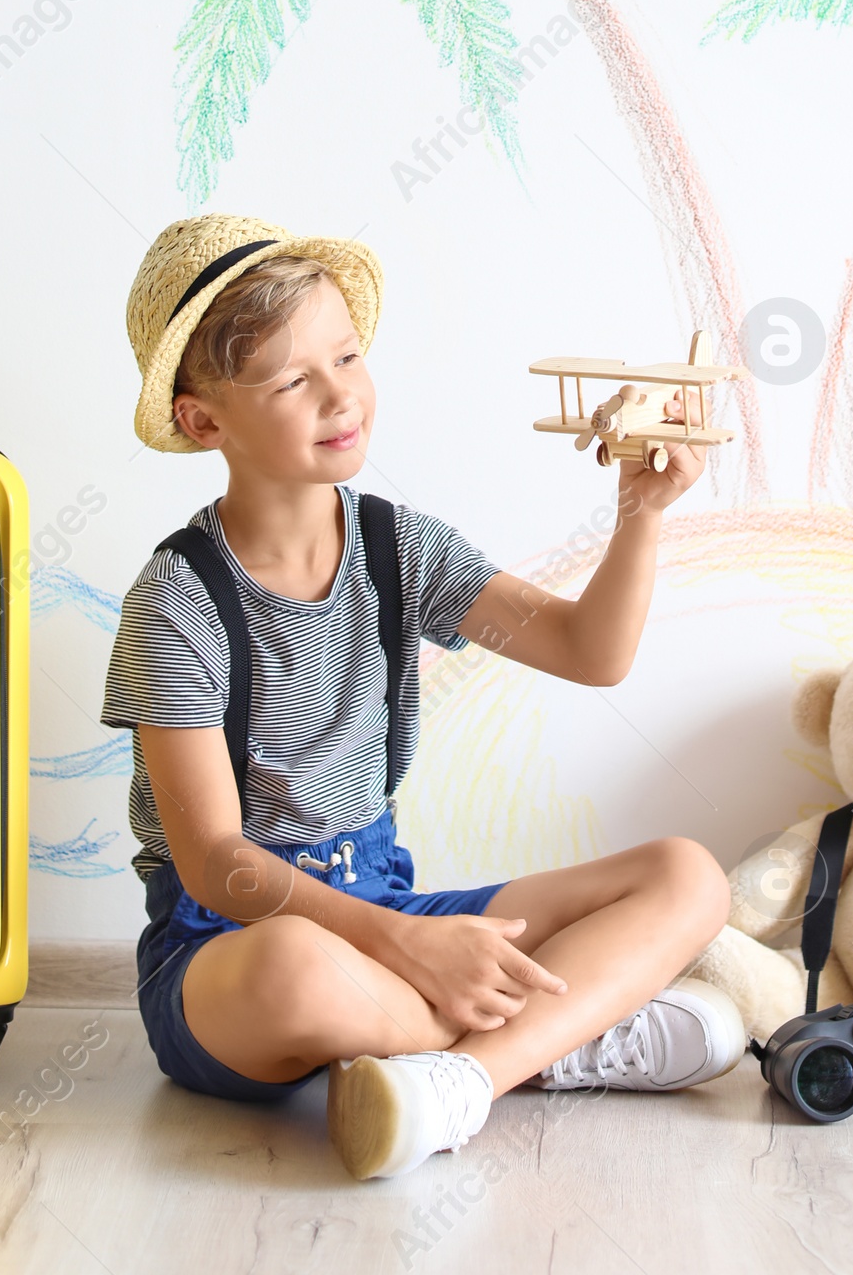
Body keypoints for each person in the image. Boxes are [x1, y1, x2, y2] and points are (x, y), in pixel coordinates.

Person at [102, 214, 741, 1180]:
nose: (340, 394)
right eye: (291, 380)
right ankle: (551, 1043)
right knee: (293, 964)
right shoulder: (177, 601)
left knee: (687, 875)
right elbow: (214, 866)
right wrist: (408, 942)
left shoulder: (403, 550)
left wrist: (641, 514)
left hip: (385, 908)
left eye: (347, 356)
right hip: (227, 956)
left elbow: (590, 651)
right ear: (203, 421)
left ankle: (461, 1079)